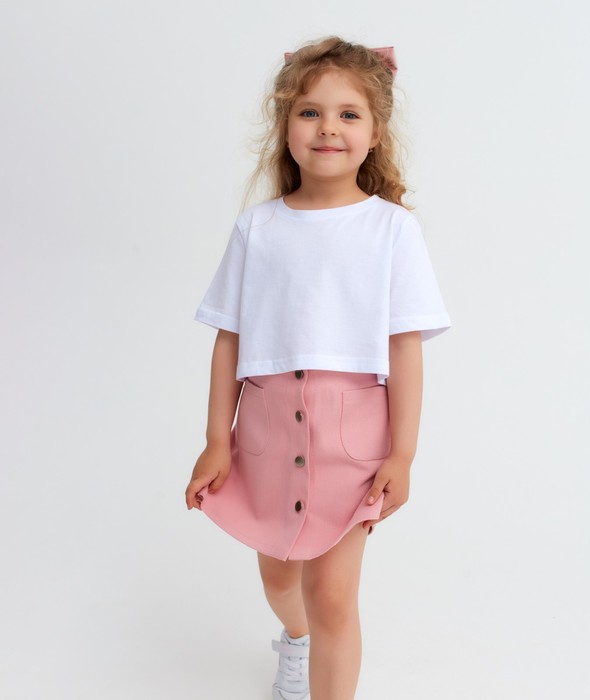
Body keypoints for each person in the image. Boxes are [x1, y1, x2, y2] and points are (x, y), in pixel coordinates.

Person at [185, 36, 451, 700]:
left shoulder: (392, 230)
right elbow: (228, 342)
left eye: (348, 114)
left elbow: (405, 349)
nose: (328, 127)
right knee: (280, 578)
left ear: (375, 133)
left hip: (351, 441)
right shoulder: (258, 229)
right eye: (309, 112)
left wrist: (403, 454)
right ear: (286, 127)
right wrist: (217, 439)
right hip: (266, 434)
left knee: (332, 595)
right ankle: (294, 643)